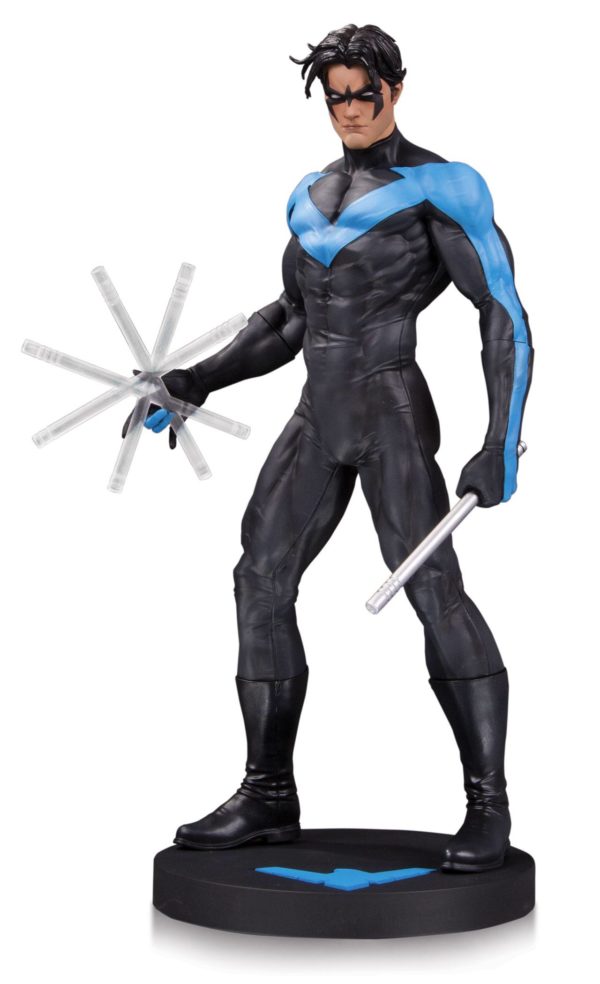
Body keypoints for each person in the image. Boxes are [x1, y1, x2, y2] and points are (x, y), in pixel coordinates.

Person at [136, 23, 533, 872]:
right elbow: (289, 319)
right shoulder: (309, 195)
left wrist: (500, 439)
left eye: (365, 94)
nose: (350, 110)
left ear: (395, 90)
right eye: (336, 97)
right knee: (258, 578)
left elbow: (503, 313)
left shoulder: (442, 188)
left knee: (434, 592)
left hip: (390, 413)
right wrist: (198, 380)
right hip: (318, 415)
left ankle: (488, 806)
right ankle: (267, 794)